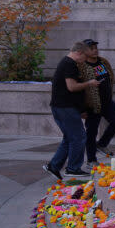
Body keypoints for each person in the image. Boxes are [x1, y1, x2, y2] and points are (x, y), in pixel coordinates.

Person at [43, 41, 100, 180]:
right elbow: (72, 87)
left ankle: (54, 166)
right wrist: (89, 83)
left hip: (64, 107)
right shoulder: (69, 64)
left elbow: (70, 92)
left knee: (69, 138)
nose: (85, 60)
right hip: (64, 108)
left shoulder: (68, 63)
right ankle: (73, 168)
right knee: (79, 137)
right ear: (79, 53)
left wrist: (80, 109)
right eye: (84, 57)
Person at [83, 39, 115, 164]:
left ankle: (102, 144)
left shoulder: (103, 62)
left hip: (107, 101)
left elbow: (110, 76)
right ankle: (91, 160)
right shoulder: (82, 66)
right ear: (85, 51)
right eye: (91, 48)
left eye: (96, 47)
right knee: (91, 131)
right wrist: (82, 108)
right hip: (92, 104)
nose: (95, 50)